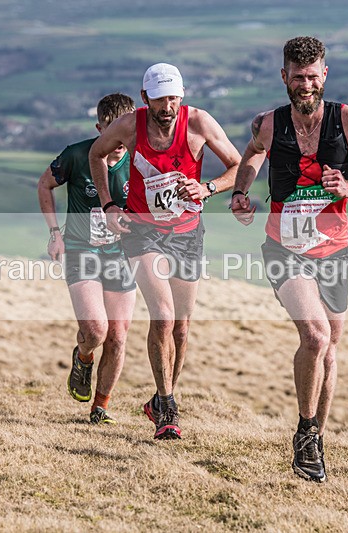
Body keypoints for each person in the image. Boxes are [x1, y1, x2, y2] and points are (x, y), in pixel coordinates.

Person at [231, 37, 348, 482]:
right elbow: (251, 157)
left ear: (325, 75)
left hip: (334, 251)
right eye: (297, 77)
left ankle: (316, 440)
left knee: (330, 347)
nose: (306, 84)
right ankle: (304, 433)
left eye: (312, 76)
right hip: (284, 248)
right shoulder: (269, 123)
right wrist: (242, 194)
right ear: (284, 77)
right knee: (316, 336)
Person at [89, 63, 241, 440]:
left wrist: (208, 188)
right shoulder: (129, 125)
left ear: (182, 96)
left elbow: (239, 166)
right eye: (160, 99)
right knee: (163, 314)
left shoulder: (200, 123)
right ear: (145, 99)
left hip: (187, 232)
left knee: (182, 326)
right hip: (141, 232)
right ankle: (167, 406)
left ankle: (161, 400)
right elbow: (96, 155)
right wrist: (109, 205)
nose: (167, 106)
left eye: (173, 97)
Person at [37, 93, 137, 425]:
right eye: (112, 130)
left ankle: (100, 408)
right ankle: (83, 357)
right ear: (100, 128)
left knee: (119, 336)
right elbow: (44, 185)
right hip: (82, 251)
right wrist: (55, 234)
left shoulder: (140, 162)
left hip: (122, 256)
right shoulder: (78, 155)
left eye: (126, 131)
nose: (120, 141)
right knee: (96, 331)